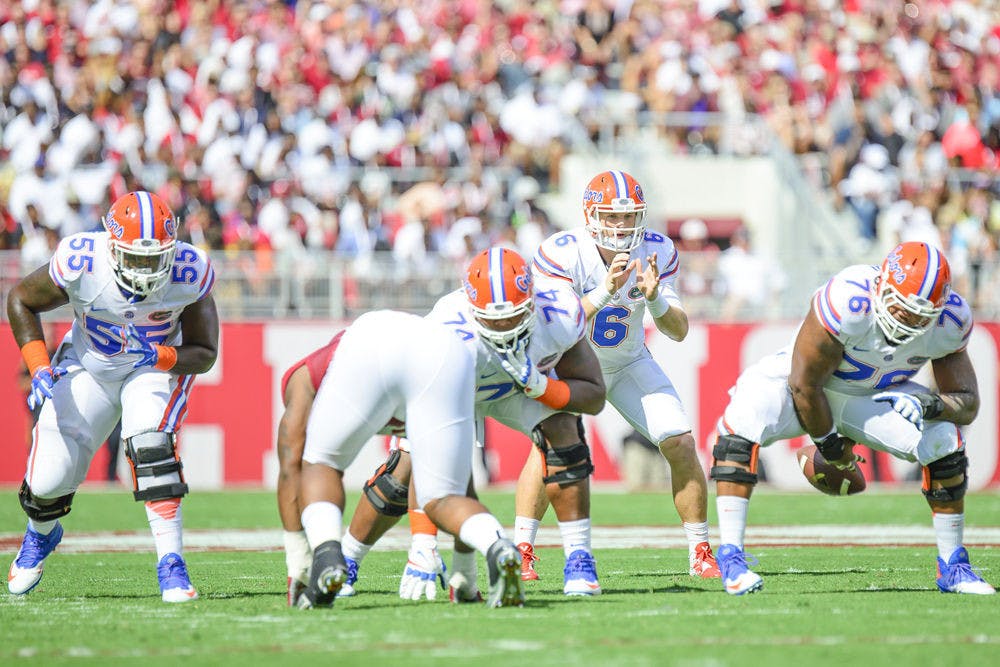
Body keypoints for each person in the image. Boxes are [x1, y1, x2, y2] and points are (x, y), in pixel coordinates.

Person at [283, 247, 607, 601]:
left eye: (514, 317)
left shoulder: (558, 312)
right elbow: (431, 460)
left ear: (532, 302)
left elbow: (593, 395)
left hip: (518, 390)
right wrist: (423, 543)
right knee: (404, 469)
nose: (504, 328)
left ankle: (579, 557)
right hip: (454, 382)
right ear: (471, 309)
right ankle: (348, 557)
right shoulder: (448, 336)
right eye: (493, 320)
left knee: (565, 429)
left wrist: (544, 386)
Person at [710, 241, 995, 596]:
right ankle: (732, 557)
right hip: (802, 383)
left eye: (921, 315)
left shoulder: (949, 322)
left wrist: (929, 407)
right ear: (880, 287)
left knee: (944, 440)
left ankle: (953, 566)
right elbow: (804, 384)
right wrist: (831, 447)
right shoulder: (849, 300)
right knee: (742, 419)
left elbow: (967, 403)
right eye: (901, 307)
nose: (908, 320)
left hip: (870, 399)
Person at [6, 190, 219, 602]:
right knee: (48, 479)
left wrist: (159, 354)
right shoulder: (82, 260)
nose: (146, 269)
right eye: (136, 258)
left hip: (152, 369)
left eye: (156, 258)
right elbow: (20, 299)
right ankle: (41, 534)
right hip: (89, 366)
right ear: (111, 245)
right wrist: (38, 365)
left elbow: (205, 353)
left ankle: (171, 563)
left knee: (151, 442)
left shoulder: (189, 271)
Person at [526, 169, 721, 580]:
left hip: (628, 361)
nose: (620, 225)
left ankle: (700, 550)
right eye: (611, 217)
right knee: (547, 449)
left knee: (682, 442)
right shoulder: (562, 251)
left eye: (628, 216)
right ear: (590, 214)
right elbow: (559, 326)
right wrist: (603, 293)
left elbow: (680, 331)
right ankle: (523, 549)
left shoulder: (657, 250)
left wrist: (655, 302)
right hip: (573, 364)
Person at [294, 308, 527, 609]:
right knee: (438, 491)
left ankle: (331, 556)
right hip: (449, 361)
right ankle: (496, 547)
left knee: (321, 462)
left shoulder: (317, 369)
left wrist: (295, 561)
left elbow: (292, 456)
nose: (504, 322)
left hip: (399, 357)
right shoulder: (457, 327)